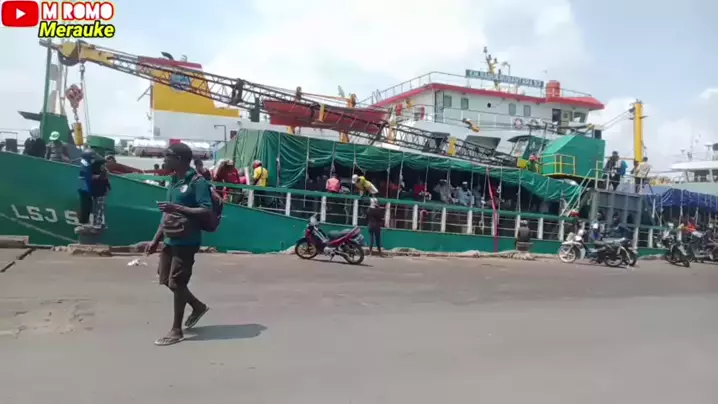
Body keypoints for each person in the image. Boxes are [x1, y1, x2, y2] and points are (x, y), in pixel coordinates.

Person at [146, 142, 211, 346]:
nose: (164, 159)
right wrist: (155, 240)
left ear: (179, 159)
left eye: (167, 156)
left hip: (187, 240)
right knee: (166, 279)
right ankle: (197, 306)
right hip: (169, 238)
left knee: (177, 283)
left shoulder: (197, 182)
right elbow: (167, 214)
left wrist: (178, 208)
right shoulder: (173, 180)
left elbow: (206, 209)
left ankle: (176, 330)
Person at [77, 151, 99, 225]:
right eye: (92, 158)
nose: (93, 159)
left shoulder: (85, 164)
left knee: (87, 207)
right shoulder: (86, 165)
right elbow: (87, 176)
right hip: (86, 191)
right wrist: (98, 176)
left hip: (86, 190)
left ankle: (85, 221)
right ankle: (83, 222)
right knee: (85, 207)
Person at [90, 155, 111, 228]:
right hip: (100, 192)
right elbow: (107, 182)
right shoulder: (103, 172)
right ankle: (97, 223)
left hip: (96, 192)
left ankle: (96, 223)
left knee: (96, 208)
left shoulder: (94, 170)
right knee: (99, 208)